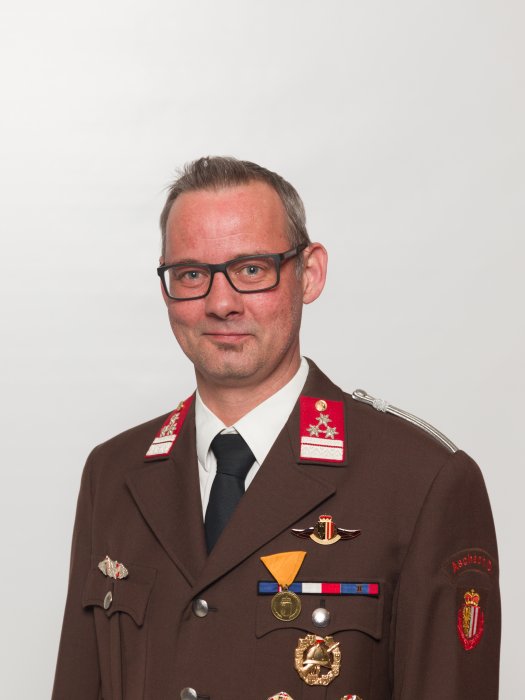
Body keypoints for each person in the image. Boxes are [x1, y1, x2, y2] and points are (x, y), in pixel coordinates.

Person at [52, 157, 500, 700]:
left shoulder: (420, 481)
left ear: (309, 274)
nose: (221, 303)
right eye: (191, 274)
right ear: (166, 287)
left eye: (251, 270)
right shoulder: (114, 472)